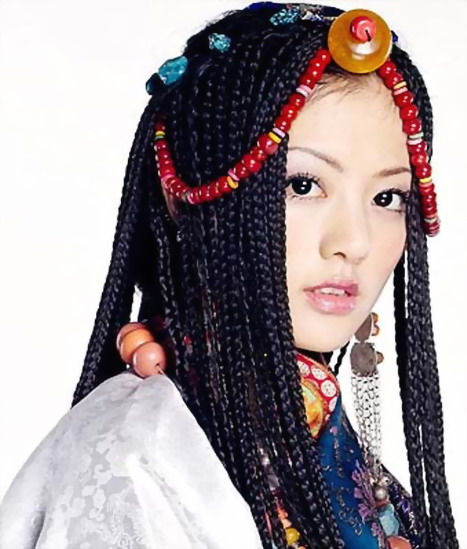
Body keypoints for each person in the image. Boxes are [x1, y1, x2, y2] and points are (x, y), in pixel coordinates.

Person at [0, 2, 459, 548]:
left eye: (387, 197)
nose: (355, 242)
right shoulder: (135, 457)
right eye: (302, 185)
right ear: (182, 196)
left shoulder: (311, 424)